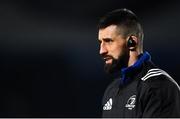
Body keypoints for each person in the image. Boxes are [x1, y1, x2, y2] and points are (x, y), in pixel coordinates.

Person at [97, 8, 180, 118]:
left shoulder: (158, 86)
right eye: (100, 42)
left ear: (132, 42)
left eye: (108, 41)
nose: (101, 50)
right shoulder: (112, 90)